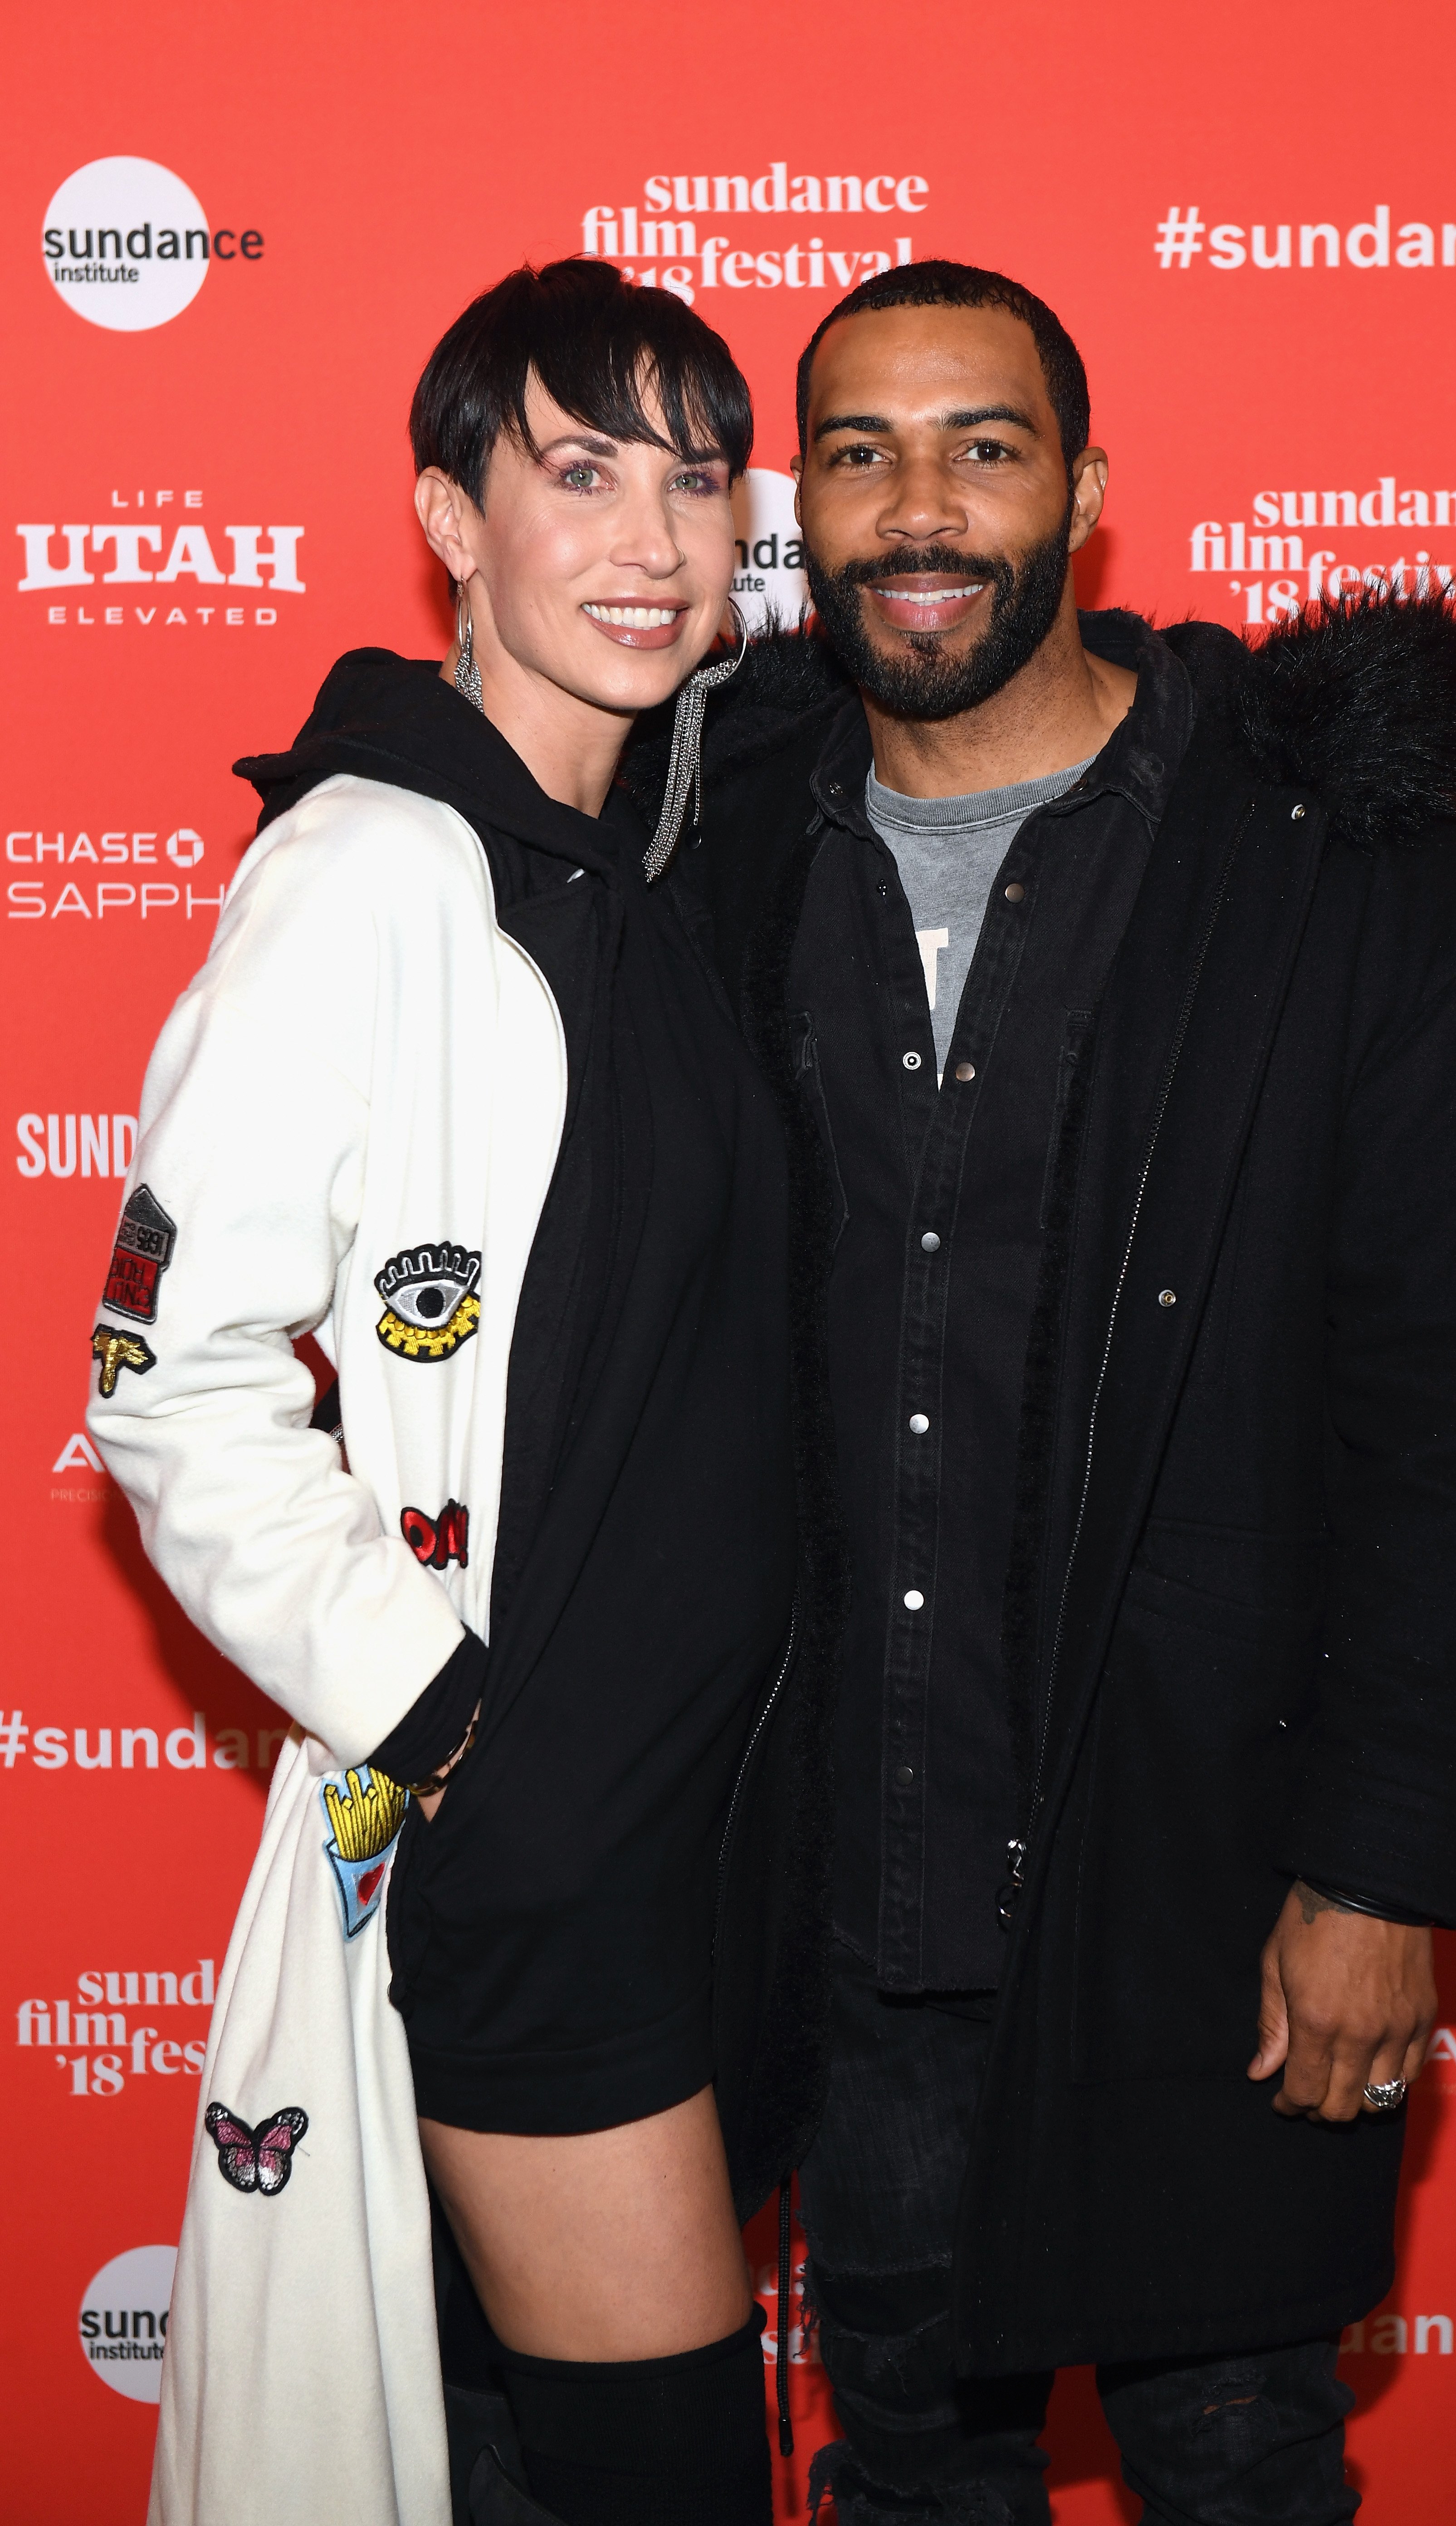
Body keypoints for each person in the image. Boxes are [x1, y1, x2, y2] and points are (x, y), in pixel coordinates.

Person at [653, 263, 1456, 2525]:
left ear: (1088, 488)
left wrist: (1375, 1873)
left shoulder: (1332, 879)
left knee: (1242, 2468)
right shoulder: (724, 844)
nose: (920, 506)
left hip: (1203, 1891)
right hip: (856, 1907)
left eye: (983, 443)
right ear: (802, 511)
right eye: (856, 452)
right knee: (905, 2475)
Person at [88, 259, 796, 2526]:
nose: (650, 541)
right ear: (447, 519)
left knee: (532, 2463)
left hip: (719, 1846)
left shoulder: (654, 873)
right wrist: (450, 1722)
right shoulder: (372, 868)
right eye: (576, 474)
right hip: (551, 1847)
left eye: (696, 480)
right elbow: (167, 1374)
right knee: (665, 2473)